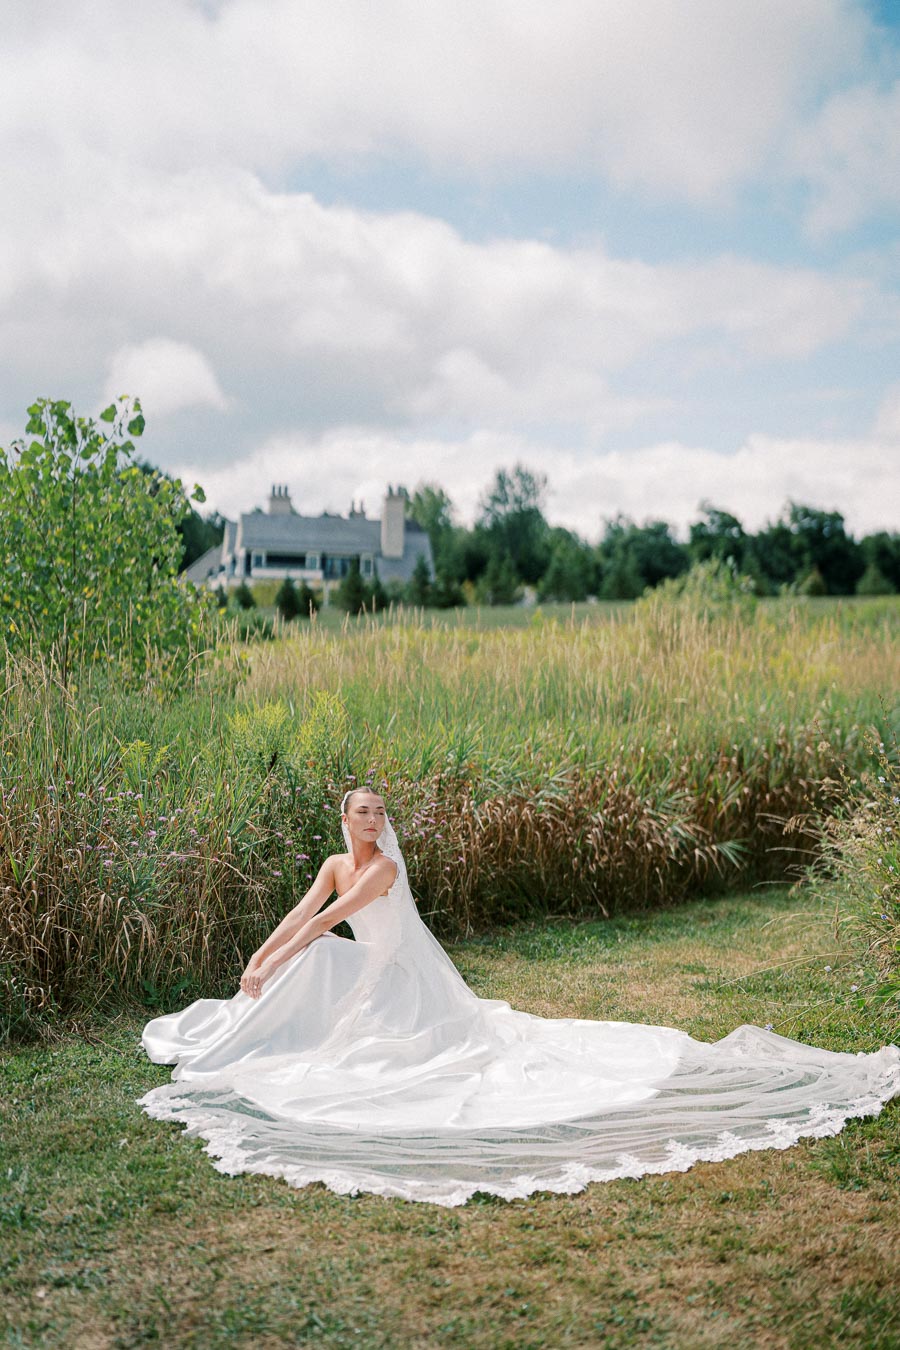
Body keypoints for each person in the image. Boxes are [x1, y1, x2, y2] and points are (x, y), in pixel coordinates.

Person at [138, 789, 900, 1208]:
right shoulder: (337, 859)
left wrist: (282, 960)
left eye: (378, 812)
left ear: (384, 823)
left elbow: (335, 923)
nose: (370, 821)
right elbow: (302, 915)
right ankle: (250, 1027)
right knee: (303, 960)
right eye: (359, 812)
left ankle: (260, 1035)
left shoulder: (382, 873)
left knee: (315, 961)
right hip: (349, 966)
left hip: (398, 983)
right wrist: (256, 957)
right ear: (343, 820)